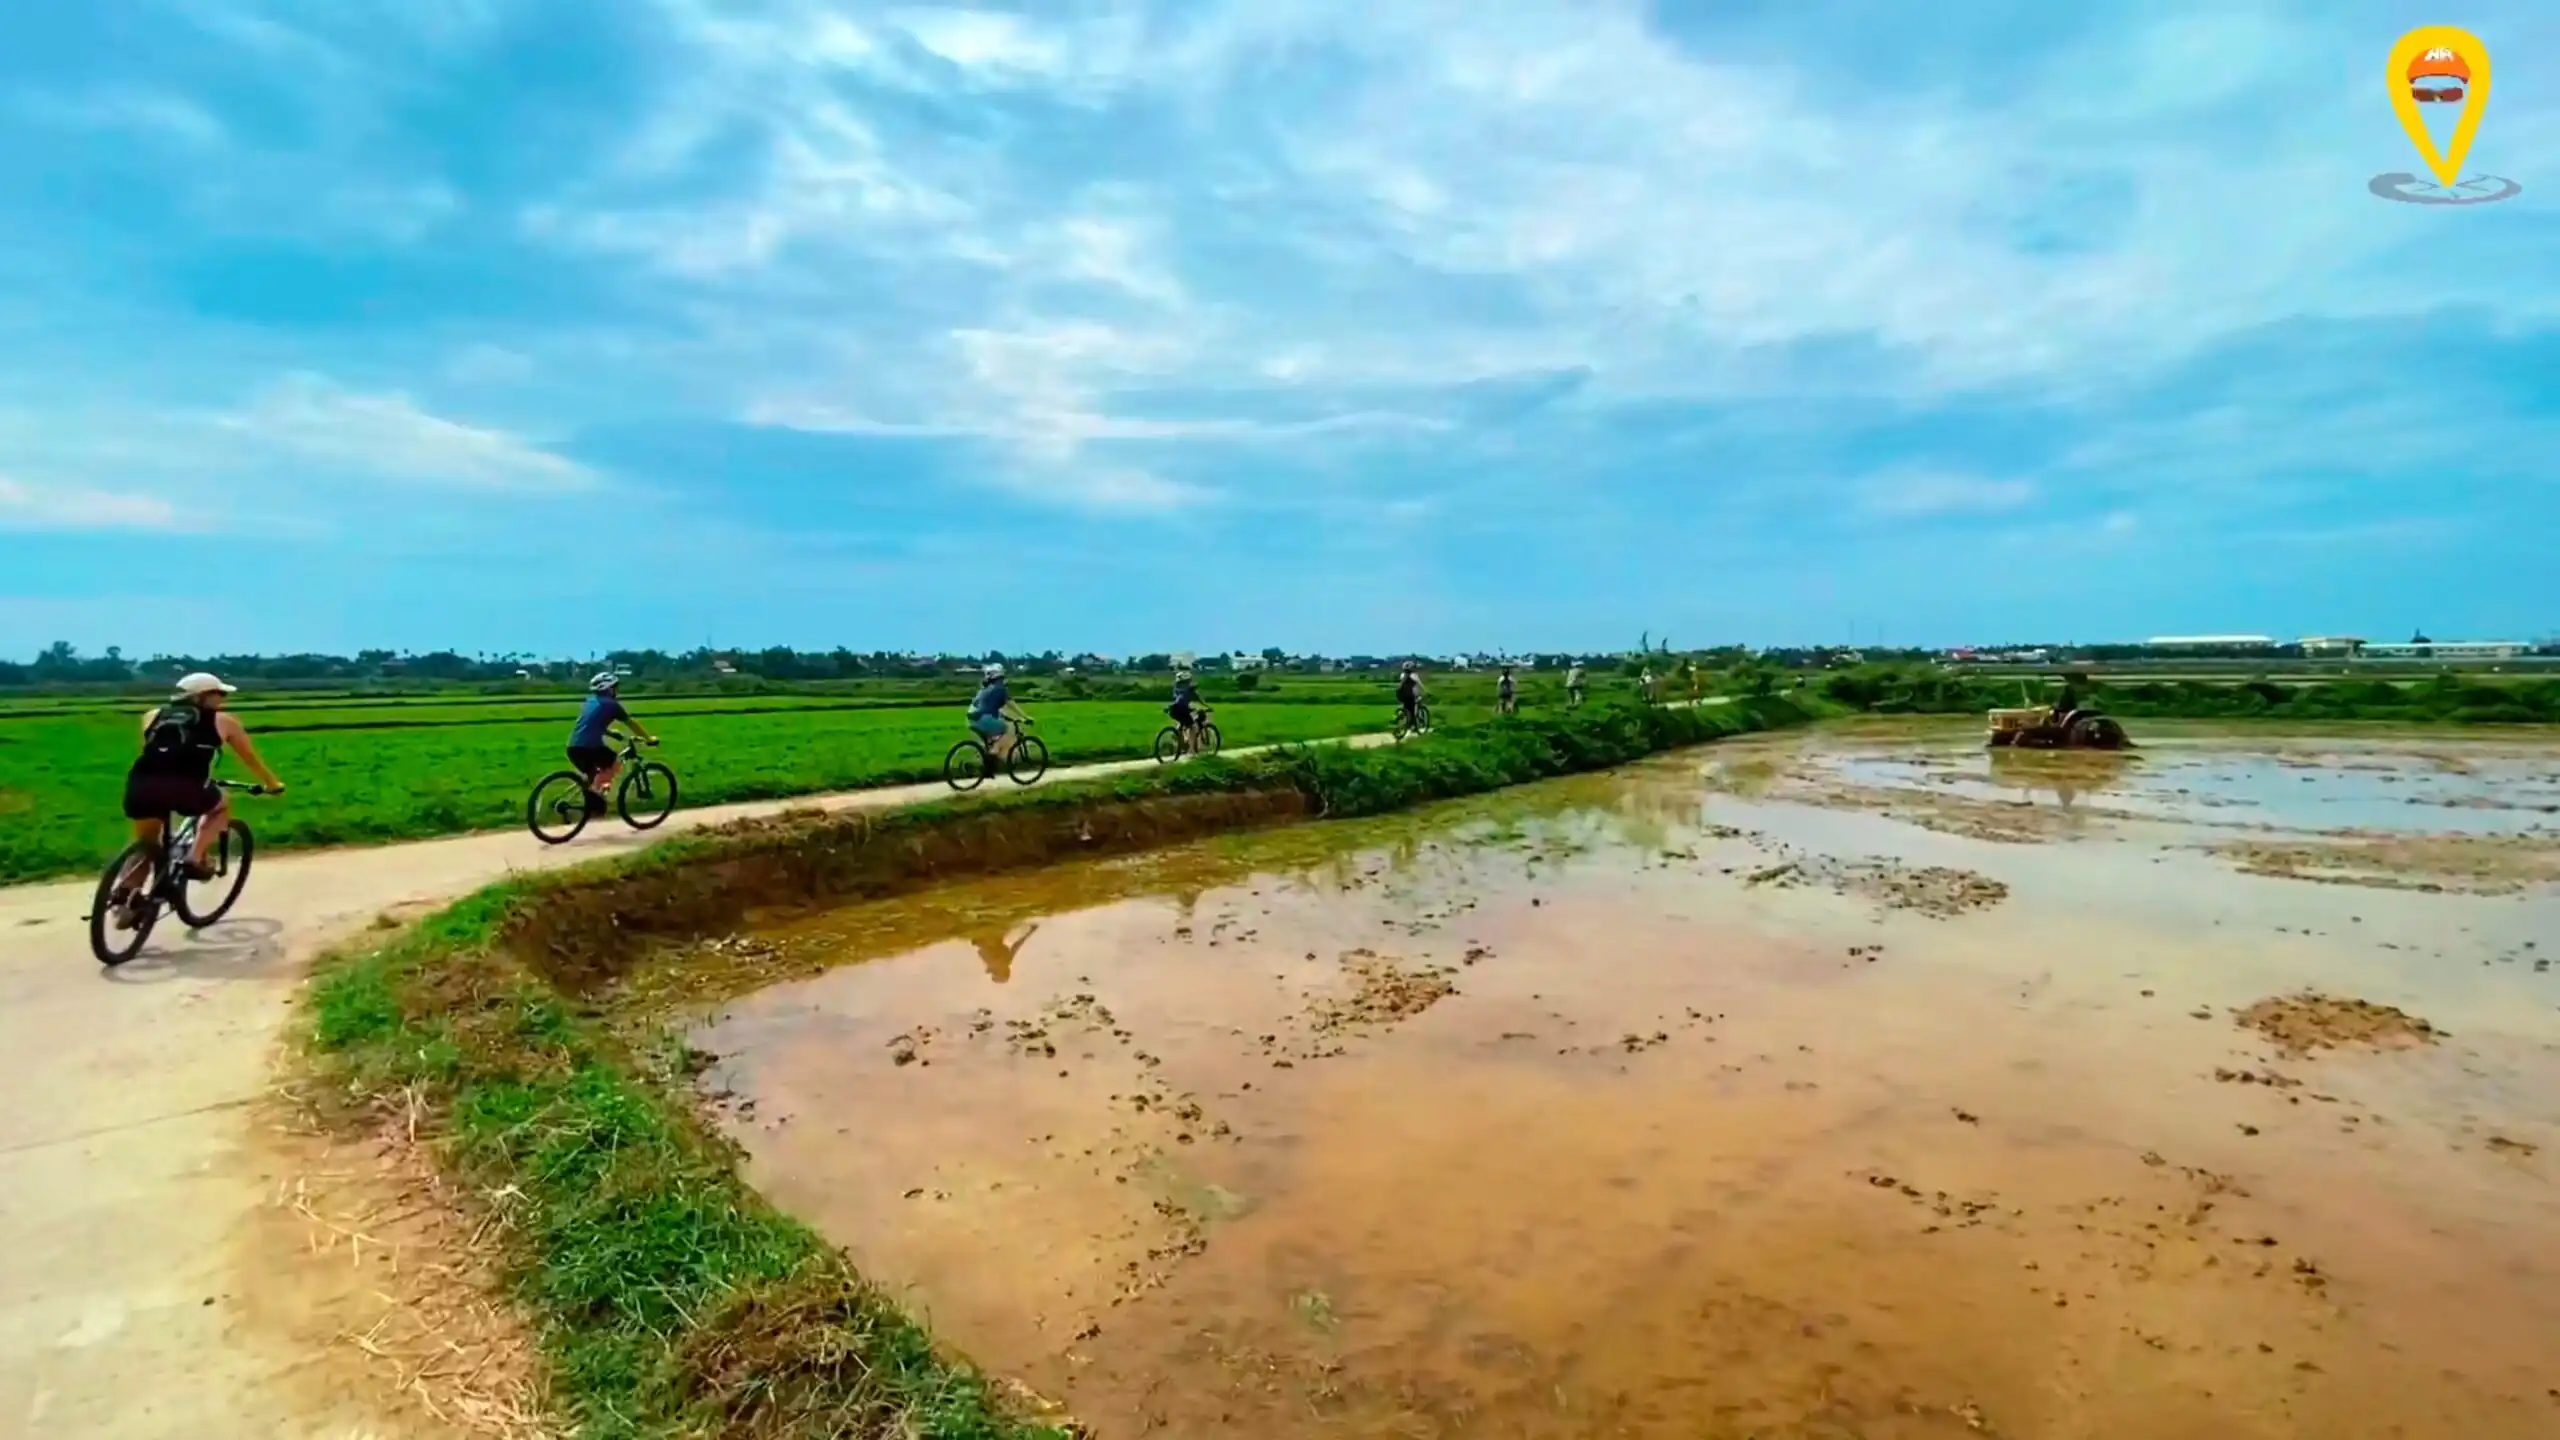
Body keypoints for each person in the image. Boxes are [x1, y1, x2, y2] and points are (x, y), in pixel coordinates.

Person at [116, 671, 286, 896]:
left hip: (141, 784)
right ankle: (194, 859)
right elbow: (250, 759)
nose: (223, 699)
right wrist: (272, 783)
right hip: (186, 787)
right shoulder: (223, 721)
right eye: (219, 694)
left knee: (147, 844)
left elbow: (150, 751)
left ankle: (124, 894)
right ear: (202, 697)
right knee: (222, 804)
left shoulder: (153, 715)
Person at [568, 672, 658, 811]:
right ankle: (595, 797)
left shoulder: (589, 702)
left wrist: (609, 732)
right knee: (614, 762)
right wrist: (648, 738)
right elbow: (631, 723)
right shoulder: (612, 705)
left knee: (593, 774)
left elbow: (589, 724)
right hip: (590, 747)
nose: (617, 690)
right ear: (609, 689)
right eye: (615, 687)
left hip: (573, 747)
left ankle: (589, 804)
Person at [970, 663, 1028, 761]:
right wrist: (1025, 717)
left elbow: (987, 707)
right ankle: (994, 753)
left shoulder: (984, 689)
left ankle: (987, 765)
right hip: (985, 719)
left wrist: (1006, 717)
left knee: (990, 740)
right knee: (1007, 729)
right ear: (1000, 677)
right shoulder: (1000, 689)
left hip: (972, 720)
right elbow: (1011, 704)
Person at [1168, 667, 1205, 750]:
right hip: (1182, 709)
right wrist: (1206, 706)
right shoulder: (1190, 689)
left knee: (1182, 721)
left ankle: (1178, 736)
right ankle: (1192, 749)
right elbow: (1198, 698)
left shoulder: (1176, 689)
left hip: (1173, 709)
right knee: (1191, 726)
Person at [1395, 660, 1426, 731]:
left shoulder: (1402, 675)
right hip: (1409, 695)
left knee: (1406, 706)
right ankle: (1413, 725)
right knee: (1412, 710)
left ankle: (1398, 716)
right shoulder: (1414, 675)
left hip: (1399, 694)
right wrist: (1426, 692)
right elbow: (1420, 685)